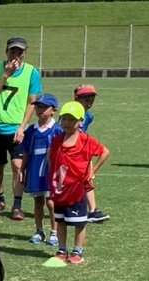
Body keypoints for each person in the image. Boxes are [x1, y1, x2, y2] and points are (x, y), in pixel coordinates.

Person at [0, 36, 42, 221]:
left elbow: (33, 102)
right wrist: (5, 75)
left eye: (20, 51)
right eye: (12, 50)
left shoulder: (32, 72)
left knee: (18, 166)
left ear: (25, 53)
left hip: (16, 129)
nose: (16, 54)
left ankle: (17, 204)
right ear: (6, 51)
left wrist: (23, 127)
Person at [48, 102, 110, 265]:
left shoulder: (86, 140)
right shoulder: (57, 141)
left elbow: (104, 152)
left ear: (81, 121)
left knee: (79, 223)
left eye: (72, 119)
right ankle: (62, 250)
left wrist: (92, 171)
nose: (67, 122)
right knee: (60, 221)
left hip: (76, 190)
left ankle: (77, 251)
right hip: (60, 190)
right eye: (65, 119)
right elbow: (51, 158)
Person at [21, 93, 62, 247]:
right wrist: (22, 170)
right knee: (38, 202)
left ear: (53, 110)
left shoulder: (58, 130)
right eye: (38, 106)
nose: (40, 110)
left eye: (44, 107)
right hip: (34, 171)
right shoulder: (31, 131)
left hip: (51, 172)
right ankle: (39, 230)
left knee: (51, 202)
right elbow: (26, 151)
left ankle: (55, 232)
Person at [73, 84, 109, 223]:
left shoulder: (89, 116)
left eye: (91, 101)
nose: (89, 104)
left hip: (82, 151)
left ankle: (93, 211)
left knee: (87, 179)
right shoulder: (71, 112)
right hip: (71, 152)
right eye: (86, 100)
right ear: (77, 99)